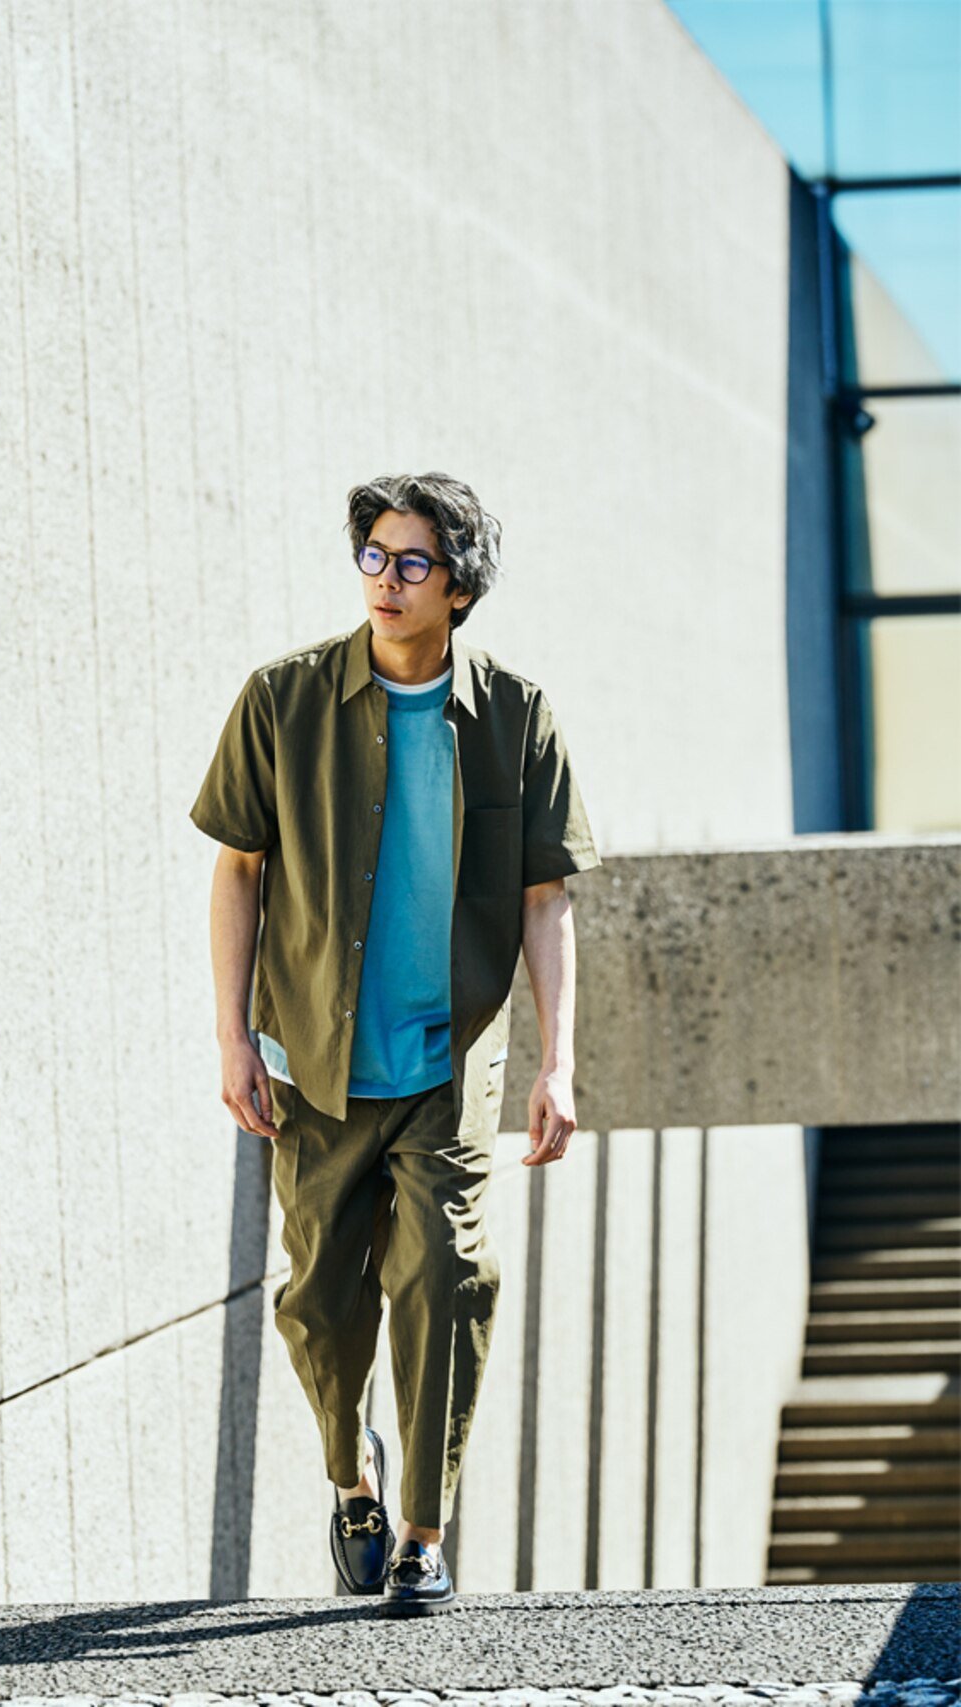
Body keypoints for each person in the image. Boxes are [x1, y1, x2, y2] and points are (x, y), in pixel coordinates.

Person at [189, 471, 602, 1615]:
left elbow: (544, 899)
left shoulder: (515, 717)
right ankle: (351, 1475)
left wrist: (557, 1061)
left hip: (446, 1066)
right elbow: (237, 871)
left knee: (446, 1279)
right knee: (320, 1304)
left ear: (457, 588)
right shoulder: (281, 701)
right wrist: (230, 1037)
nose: (385, 579)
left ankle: (422, 1529)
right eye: (373, 555)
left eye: (411, 562)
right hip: (314, 1067)